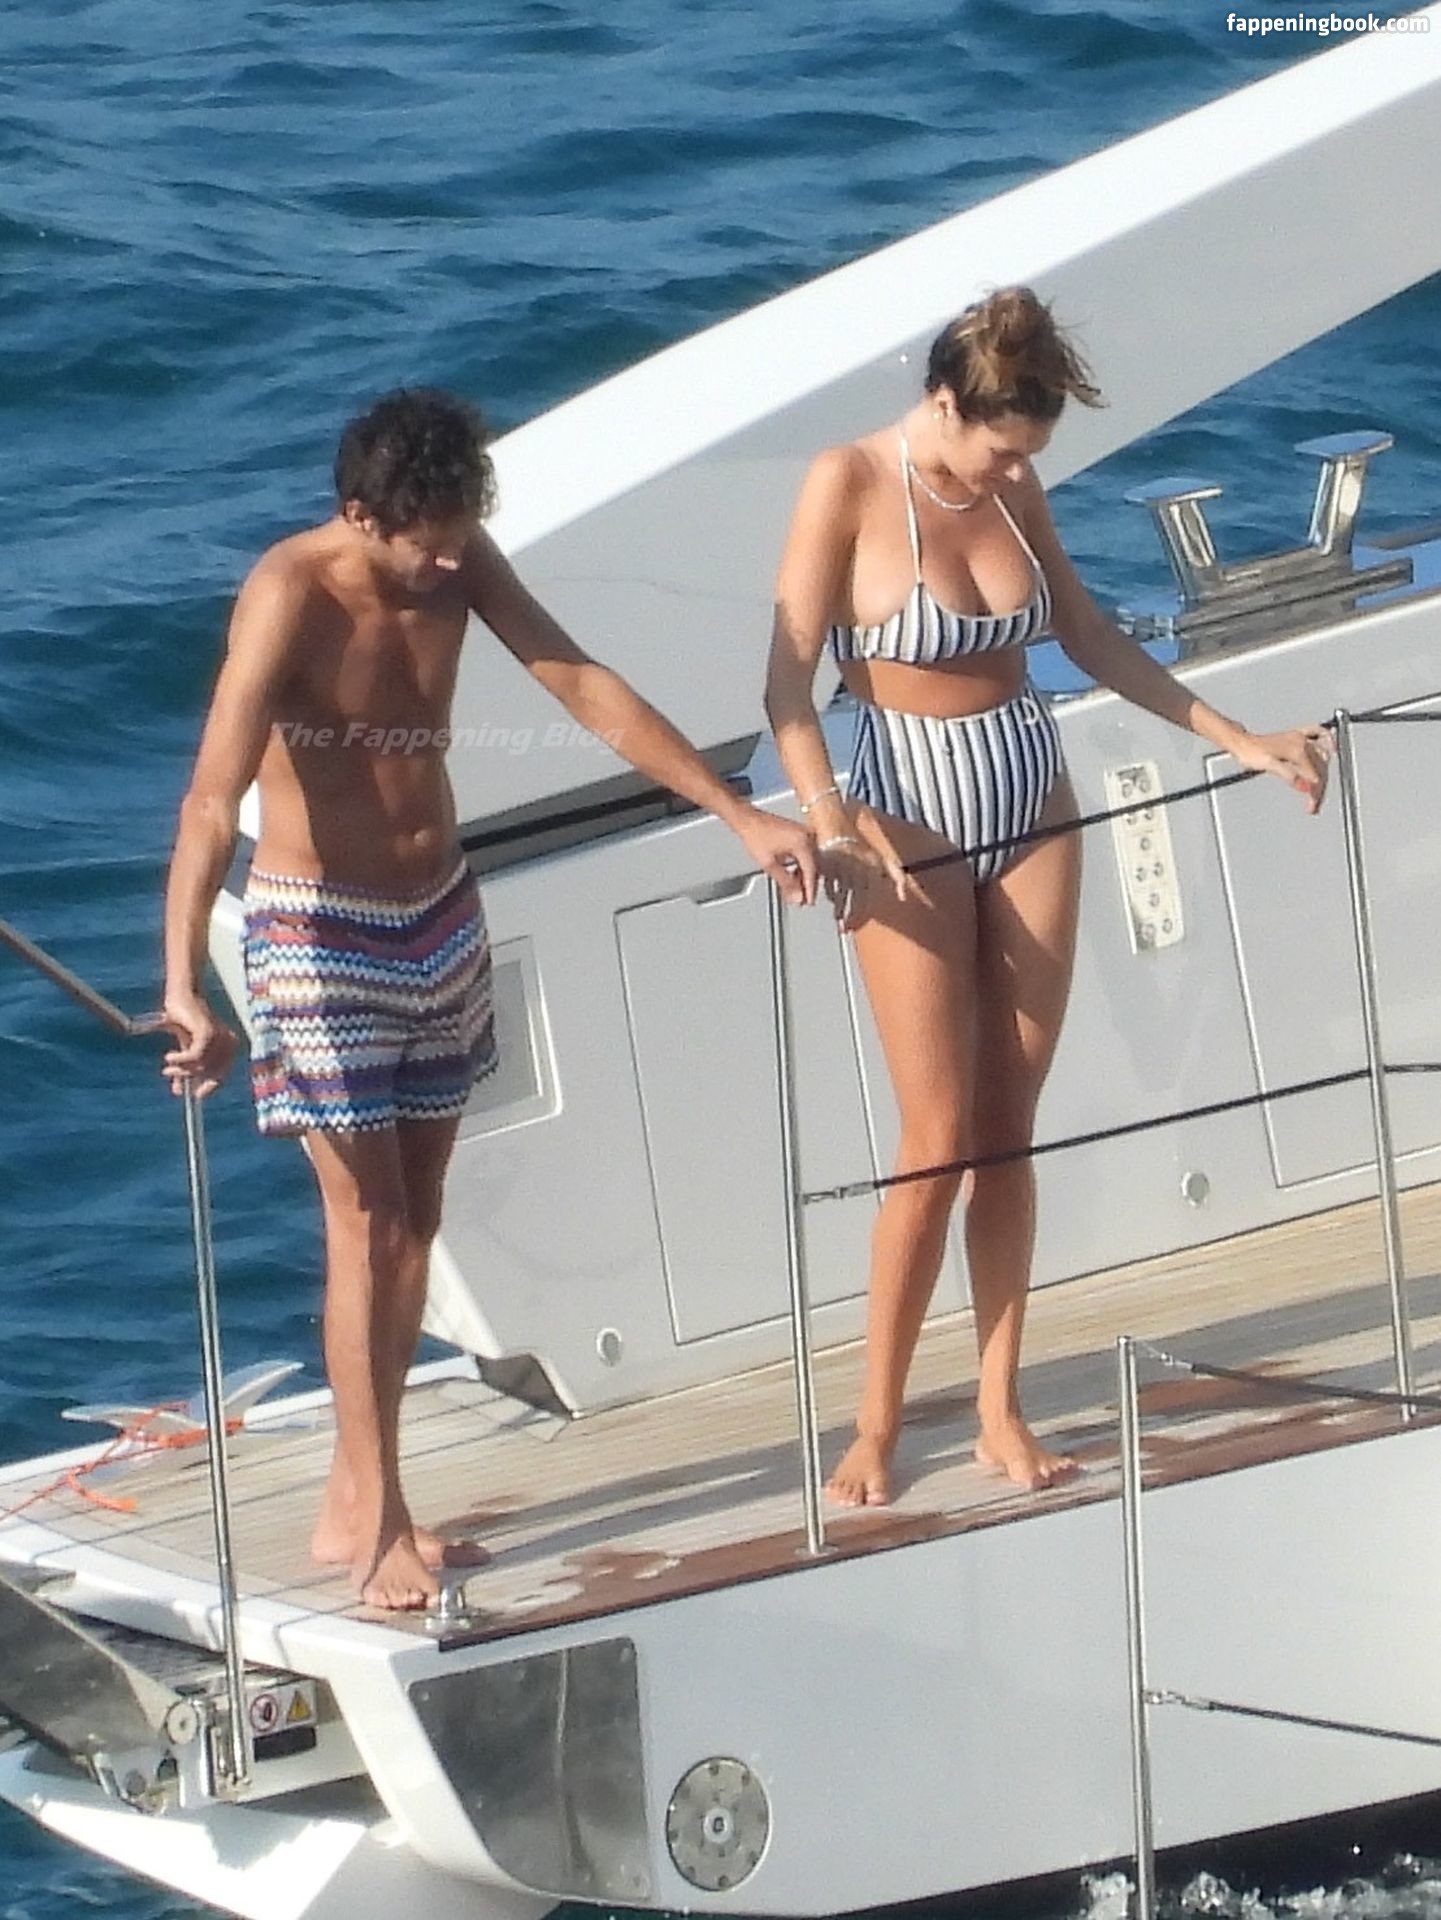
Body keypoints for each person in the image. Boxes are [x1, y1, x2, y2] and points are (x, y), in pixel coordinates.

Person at [161, 387, 819, 1610]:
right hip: (317, 933)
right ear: (361, 514)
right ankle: (378, 1527)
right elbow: (211, 795)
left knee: (417, 1219)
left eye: (460, 530)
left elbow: (579, 681)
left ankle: (357, 1494)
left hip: (440, 916)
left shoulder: (460, 558)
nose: (446, 559)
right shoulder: (289, 591)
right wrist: (181, 981)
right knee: (366, 1224)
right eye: (425, 539)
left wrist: (736, 813)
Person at [764, 287, 1332, 1507]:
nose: (1014, 471)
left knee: (1007, 1132)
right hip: (902, 820)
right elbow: (787, 693)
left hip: (1030, 798)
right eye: (1000, 448)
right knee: (933, 1144)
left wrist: (1238, 738)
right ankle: (874, 1425)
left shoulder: (1012, 487)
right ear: (942, 404)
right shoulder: (846, 481)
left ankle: (997, 1408)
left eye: (1028, 453)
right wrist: (831, 826)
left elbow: (1085, 637)